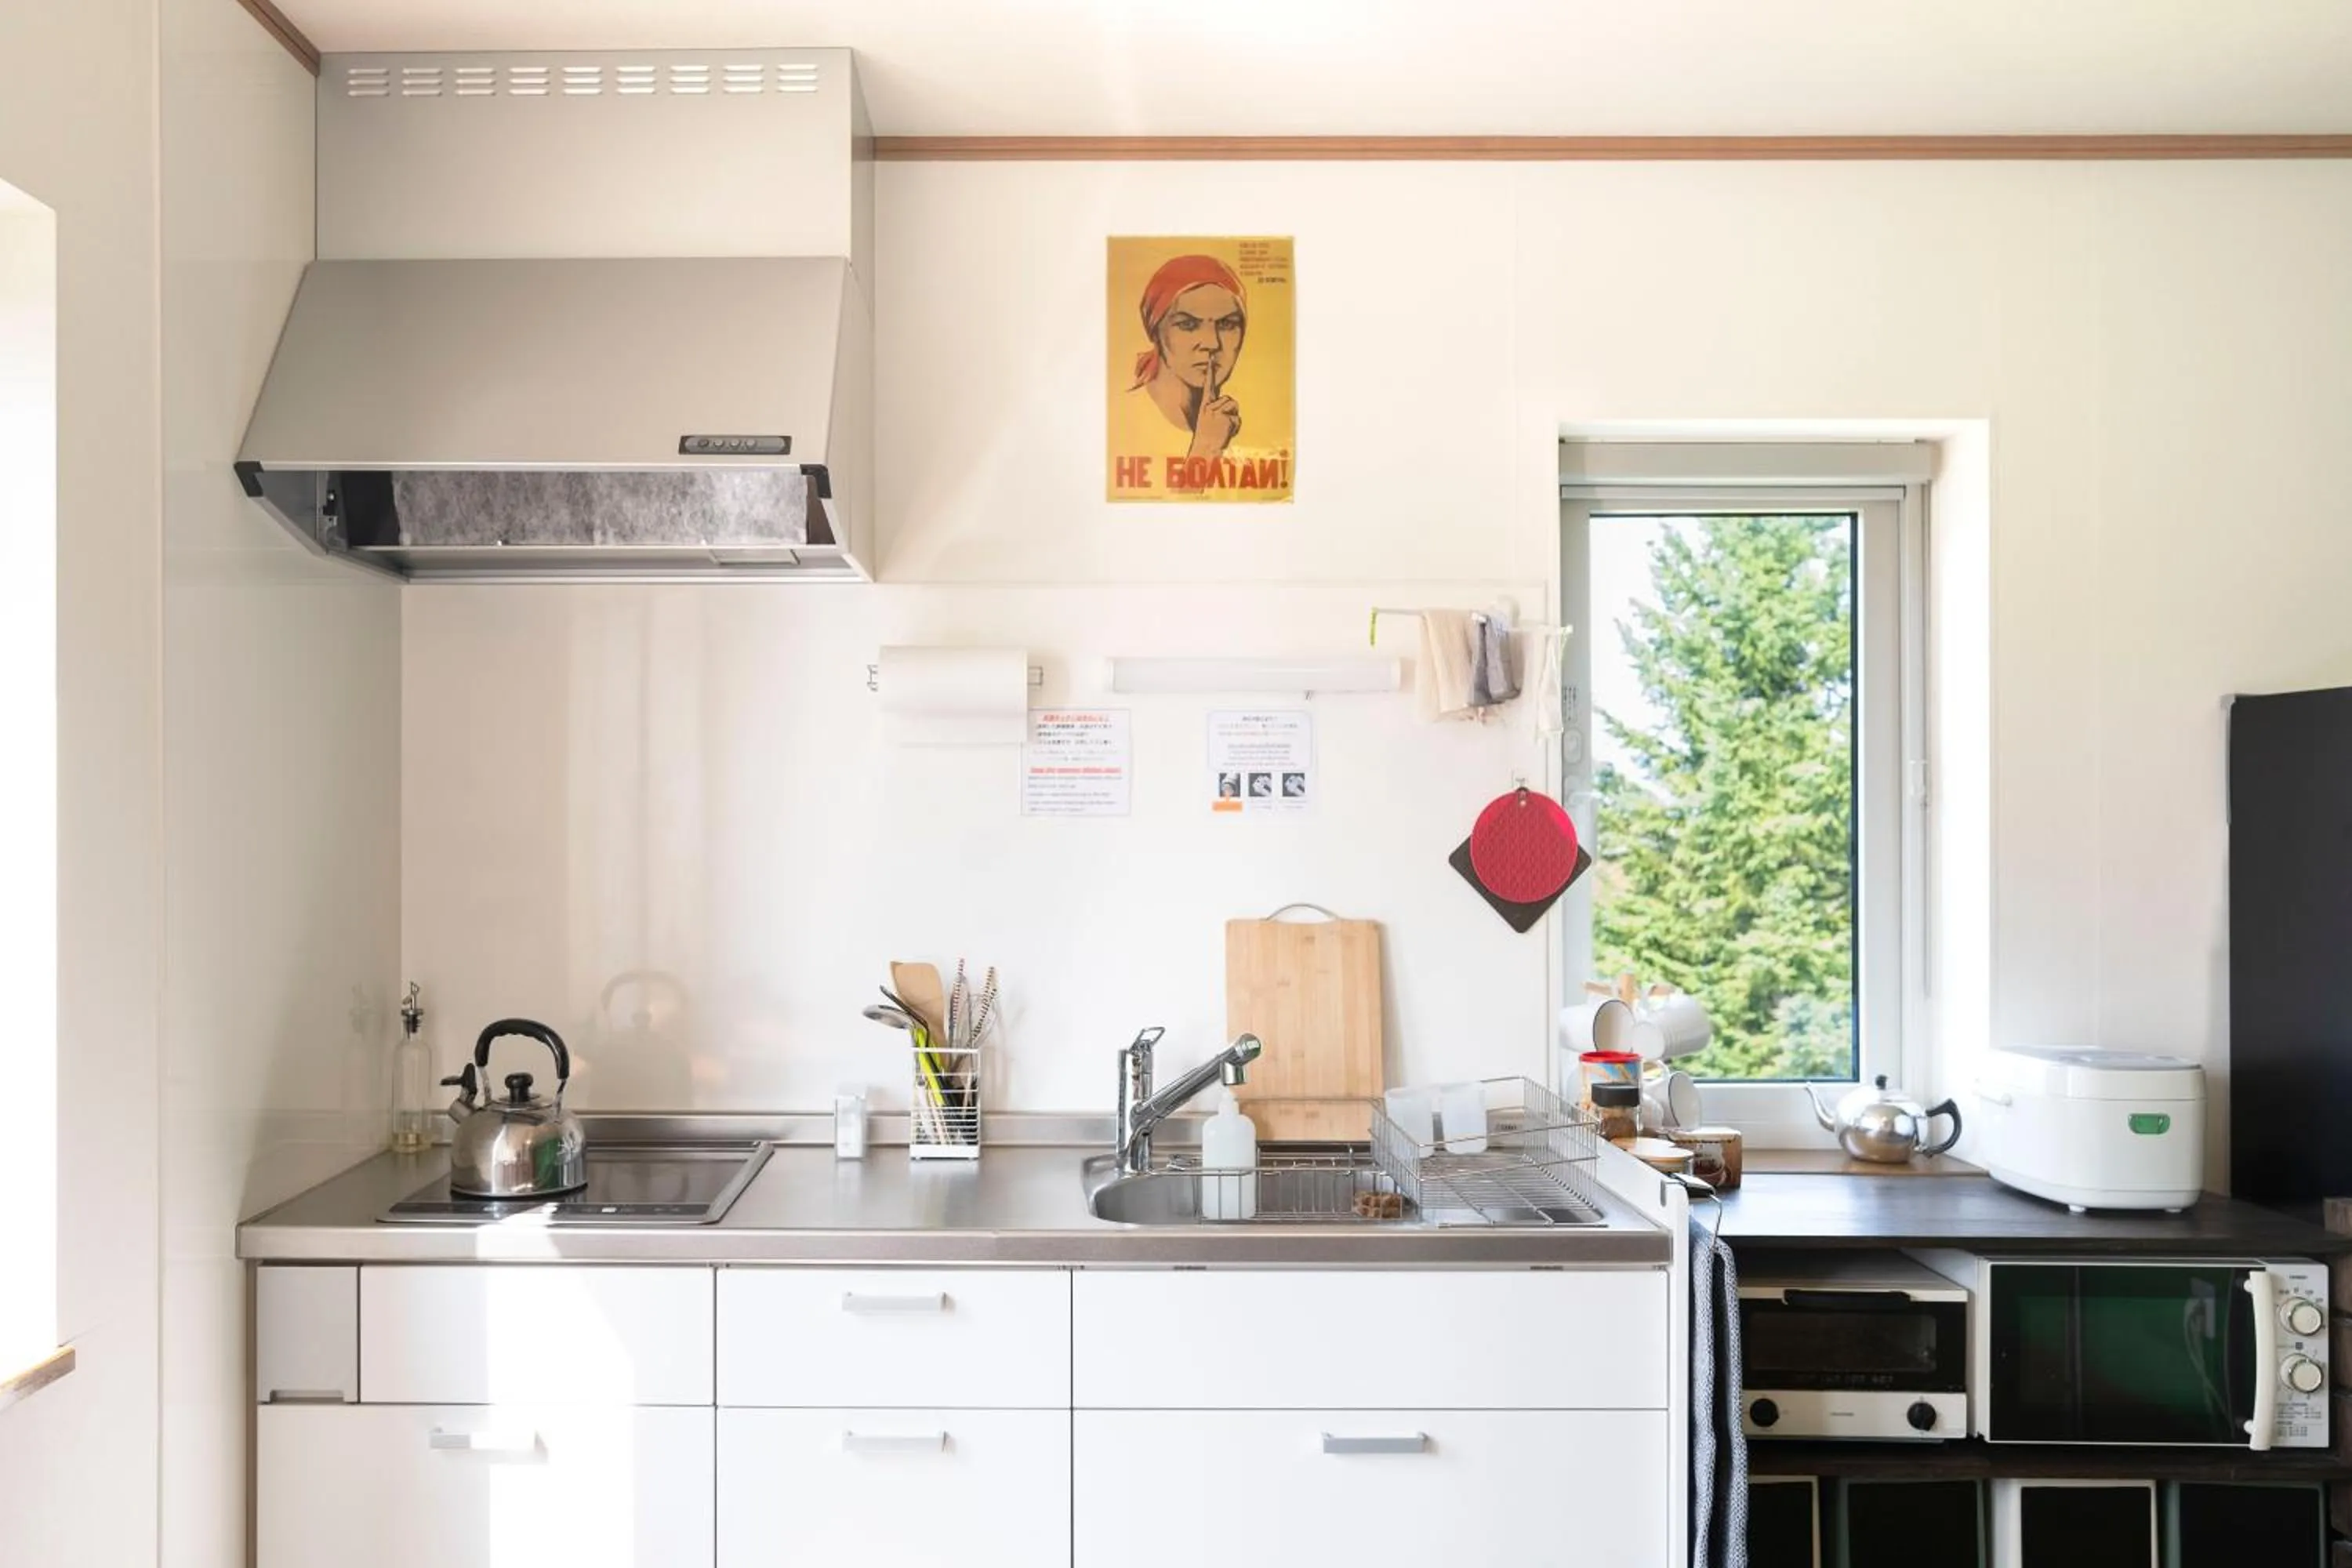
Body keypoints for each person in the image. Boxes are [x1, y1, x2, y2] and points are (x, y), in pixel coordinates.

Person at [1127, 254, 1247, 460]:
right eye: (1188, 325)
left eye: (1227, 324)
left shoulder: (1243, 424)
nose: (1211, 344)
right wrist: (1206, 448)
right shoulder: (1128, 418)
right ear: (1155, 332)